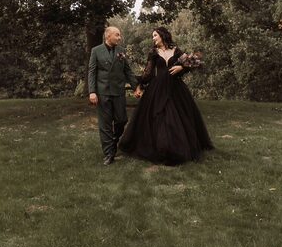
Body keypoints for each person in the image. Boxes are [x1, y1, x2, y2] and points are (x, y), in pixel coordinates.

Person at [119, 26, 213, 165]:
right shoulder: (154, 53)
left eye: (155, 35)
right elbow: (148, 73)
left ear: (162, 35)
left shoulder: (176, 50)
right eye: (153, 36)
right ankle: (162, 148)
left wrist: (182, 67)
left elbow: (195, 63)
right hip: (158, 88)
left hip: (176, 88)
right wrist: (138, 84)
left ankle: (177, 148)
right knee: (160, 116)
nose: (153, 38)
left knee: (177, 116)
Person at [88, 26, 139, 165]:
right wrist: (92, 91)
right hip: (102, 92)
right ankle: (109, 153)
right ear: (108, 36)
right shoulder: (96, 51)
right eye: (117, 35)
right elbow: (92, 72)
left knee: (122, 120)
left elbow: (127, 71)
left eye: (119, 35)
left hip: (118, 92)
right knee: (105, 124)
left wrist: (136, 87)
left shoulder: (121, 51)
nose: (119, 37)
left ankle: (114, 141)